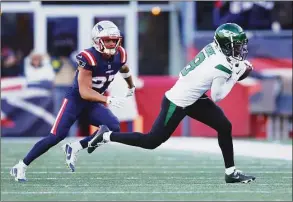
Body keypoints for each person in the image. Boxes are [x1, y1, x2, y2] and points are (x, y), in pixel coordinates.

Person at [88, 23, 256, 184]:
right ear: (226, 44)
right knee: (151, 141)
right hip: (177, 102)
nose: (240, 49)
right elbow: (218, 96)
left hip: (193, 96)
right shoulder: (221, 65)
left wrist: (236, 68)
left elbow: (220, 68)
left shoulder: (214, 47)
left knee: (224, 126)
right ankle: (105, 135)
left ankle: (231, 173)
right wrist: (235, 76)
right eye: (237, 45)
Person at [10, 20, 136, 182]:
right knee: (55, 136)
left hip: (92, 103)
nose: (112, 43)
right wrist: (107, 99)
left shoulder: (120, 54)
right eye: (107, 40)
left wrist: (130, 85)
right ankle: (21, 166)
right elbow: (84, 92)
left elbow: (123, 68)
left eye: (114, 39)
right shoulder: (89, 57)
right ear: (97, 41)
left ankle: (75, 146)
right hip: (75, 101)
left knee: (113, 126)